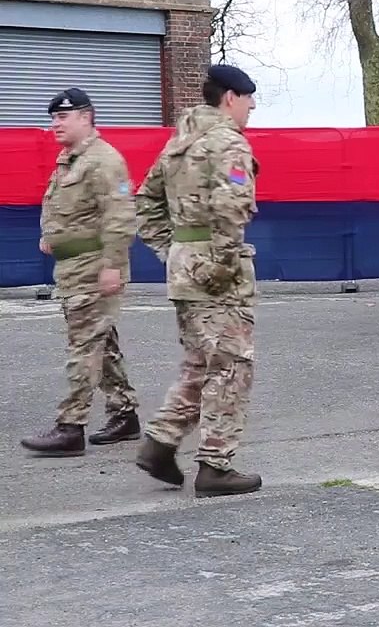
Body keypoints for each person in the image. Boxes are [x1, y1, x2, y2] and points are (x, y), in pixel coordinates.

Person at [132, 64, 263, 498]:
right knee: (230, 367)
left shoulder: (179, 143)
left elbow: (146, 201)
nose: (252, 107)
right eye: (248, 99)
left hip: (185, 269)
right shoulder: (228, 142)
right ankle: (215, 465)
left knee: (199, 364)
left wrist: (173, 251)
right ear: (231, 98)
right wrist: (221, 266)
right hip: (216, 276)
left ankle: (161, 442)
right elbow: (231, 209)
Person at [20, 88, 141, 457]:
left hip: (94, 268)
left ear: (85, 118)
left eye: (62, 118)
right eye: (54, 118)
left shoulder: (105, 160)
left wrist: (112, 266)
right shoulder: (69, 160)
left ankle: (70, 427)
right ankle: (125, 415)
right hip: (72, 268)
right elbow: (65, 207)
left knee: (84, 347)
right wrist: (50, 236)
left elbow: (120, 216)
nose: (55, 124)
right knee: (102, 345)